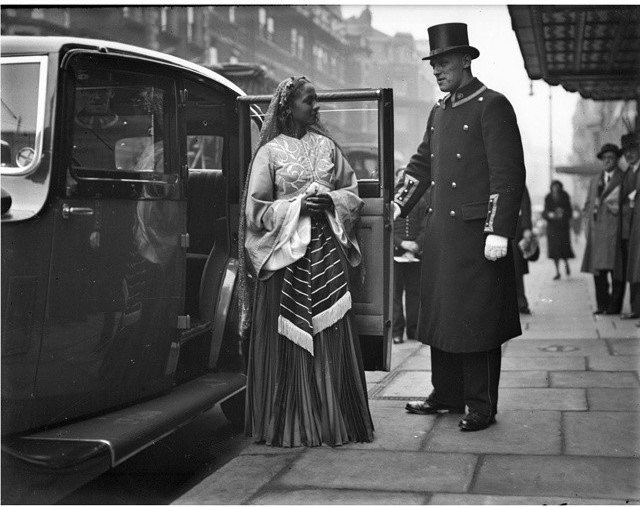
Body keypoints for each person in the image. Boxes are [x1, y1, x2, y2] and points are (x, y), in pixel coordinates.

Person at [395, 23, 525, 432]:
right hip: (442, 236)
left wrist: (498, 230)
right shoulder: (439, 110)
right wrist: (397, 204)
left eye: (444, 62)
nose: (437, 70)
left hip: (477, 236)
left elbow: (508, 173)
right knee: (442, 316)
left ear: (466, 60)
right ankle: (446, 394)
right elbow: (420, 163)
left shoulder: (493, 105)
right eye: (433, 63)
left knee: (478, 321)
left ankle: (481, 405)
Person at [239, 76, 374, 447]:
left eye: (316, 101)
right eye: (309, 101)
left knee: (329, 330)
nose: (316, 108)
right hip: (287, 258)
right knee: (291, 334)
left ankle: (333, 419)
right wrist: (299, 205)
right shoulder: (269, 153)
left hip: (327, 252)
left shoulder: (328, 148)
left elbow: (352, 193)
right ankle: (291, 422)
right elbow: (256, 210)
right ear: (288, 107)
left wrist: (331, 201)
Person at [581, 143, 625, 314]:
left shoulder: (623, 178)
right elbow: (587, 204)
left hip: (615, 232)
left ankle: (614, 307)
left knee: (616, 273)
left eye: (611, 158)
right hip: (597, 233)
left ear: (616, 159)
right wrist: (587, 224)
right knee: (598, 274)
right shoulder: (595, 180)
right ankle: (602, 305)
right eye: (605, 158)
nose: (607, 161)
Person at [392, 166, 428, 344]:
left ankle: (414, 330)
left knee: (414, 292)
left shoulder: (421, 201)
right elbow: (387, 228)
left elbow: (425, 225)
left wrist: (415, 245)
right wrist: (401, 244)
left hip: (415, 253)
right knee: (395, 294)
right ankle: (397, 332)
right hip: (395, 255)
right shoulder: (392, 204)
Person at [618, 133, 640, 321]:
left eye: (632, 151)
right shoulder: (628, 173)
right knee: (633, 268)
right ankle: (635, 309)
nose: (629, 155)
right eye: (626, 153)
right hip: (631, 228)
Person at [543, 180, 575, 280]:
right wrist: (549, 215)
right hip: (552, 228)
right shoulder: (548, 197)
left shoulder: (565, 196)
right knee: (554, 251)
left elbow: (570, 211)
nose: (555, 188)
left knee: (564, 249)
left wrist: (563, 214)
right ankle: (557, 272)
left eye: (557, 186)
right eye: (553, 186)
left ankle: (566, 264)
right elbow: (545, 212)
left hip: (563, 228)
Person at [514, 185, 533, 314]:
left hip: (515, 228)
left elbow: (525, 204)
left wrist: (526, 228)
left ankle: (520, 301)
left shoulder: (516, 176)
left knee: (516, 266)